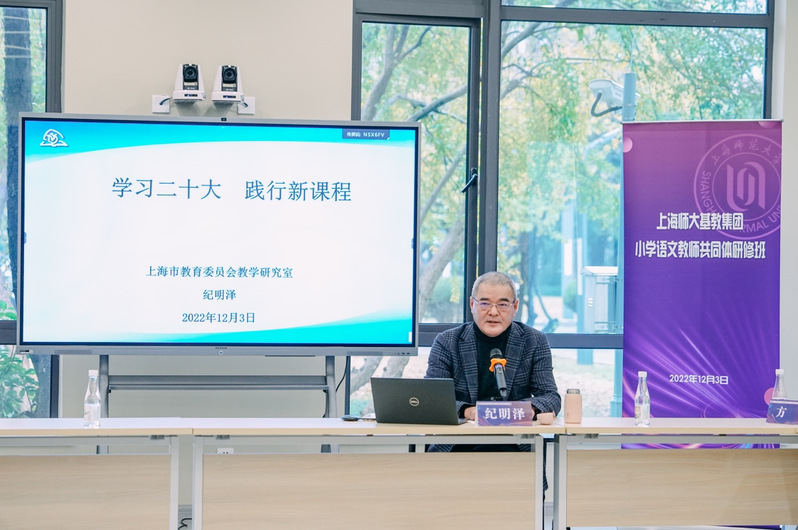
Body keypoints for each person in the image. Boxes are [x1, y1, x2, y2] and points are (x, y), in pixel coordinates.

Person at [424, 271, 561, 492]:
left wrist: (522, 411)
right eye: (485, 303)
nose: (494, 312)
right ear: (472, 304)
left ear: (515, 307)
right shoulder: (447, 342)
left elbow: (551, 397)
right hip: (456, 446)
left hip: (516, 446)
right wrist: (469, 411)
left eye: (503, 305)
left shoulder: (534, 341)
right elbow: (432, 399)